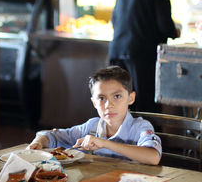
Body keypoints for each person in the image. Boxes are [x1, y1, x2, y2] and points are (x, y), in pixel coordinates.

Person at [27, 66, 162, 165]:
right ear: (94, 102)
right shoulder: (92, 126)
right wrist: (38, 142)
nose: (109, 105)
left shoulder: (139, 127)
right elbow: (51, 136)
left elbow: (153, 157)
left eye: (117, 96)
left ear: (131, 98)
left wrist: (105, 143)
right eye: (102, 98)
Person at [109, 0, 179, 113]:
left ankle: (123, 134)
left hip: (118, 53)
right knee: (146, 105)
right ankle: (148, 133)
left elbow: (114, 21)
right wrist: (175, 32)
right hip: (142, 55)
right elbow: (165, 25)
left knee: (121, 104)